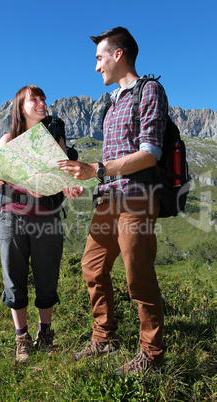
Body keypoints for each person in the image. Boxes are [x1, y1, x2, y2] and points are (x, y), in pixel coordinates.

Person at [58, 27, 168, 375]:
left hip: (136, 198)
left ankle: (152, 357)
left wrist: (97, 168)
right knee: (92, 268)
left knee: (138, 276)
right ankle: (104, 339)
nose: (95, 67)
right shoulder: (110, 103)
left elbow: (150, 153)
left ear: (118, 54)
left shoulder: (149, 90)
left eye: (98, 58)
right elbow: (107, 161)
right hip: (108, 199)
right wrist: (86, 175)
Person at [0, 85, 77, 362]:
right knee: (13, 280)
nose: (42, 103)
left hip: (46, 220)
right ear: (20, 107)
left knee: (46, 278)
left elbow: (66, 178)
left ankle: (46, 333)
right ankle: (21, 338)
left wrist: (71, 188)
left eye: (43, 99)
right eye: (35, 100)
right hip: (11, 219)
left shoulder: (55, 139)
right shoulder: (6, 140)